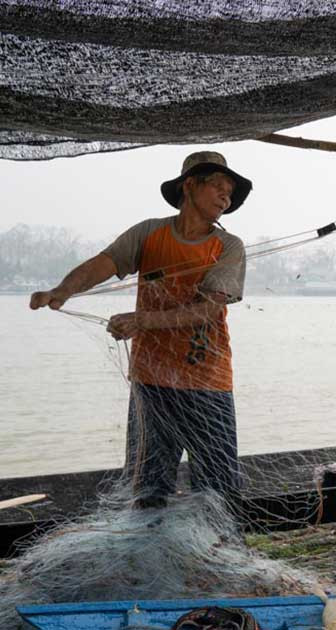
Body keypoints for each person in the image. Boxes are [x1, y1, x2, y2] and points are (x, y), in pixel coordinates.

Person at [30, 151, 251, 509]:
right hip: (151, 381)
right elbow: (104, 263)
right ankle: (148, 558)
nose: (226, 198)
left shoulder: (227, 246)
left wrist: (141, 321)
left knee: (218, 487)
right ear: (189, 185)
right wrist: (63, 290)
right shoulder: (150, 234)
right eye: (219, 187)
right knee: (149, 486)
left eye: (230, 193)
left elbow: (208, 310)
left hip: (206, 380)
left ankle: (217, 553)